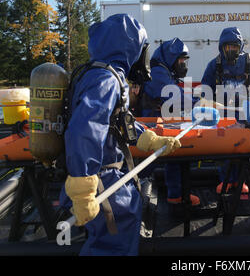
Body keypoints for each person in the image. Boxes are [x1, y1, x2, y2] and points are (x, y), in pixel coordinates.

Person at [59, 14, 181, 256]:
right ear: (130, 47)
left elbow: (119, 121)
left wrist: (151, 139)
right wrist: (84, 188)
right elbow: (86, 128)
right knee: (111, 245)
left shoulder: (101, 74)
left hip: (103, 175)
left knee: (112, 238)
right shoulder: (106, 79)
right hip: (102, 178)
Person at [132, 38, 201, 206]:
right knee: (147, 164)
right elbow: (174, 95)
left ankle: (175, 195)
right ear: (171, 58)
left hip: (159, 123)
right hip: (152, 126)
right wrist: (198, 102)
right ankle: (129, 196)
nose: (183, 64)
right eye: (181, 60)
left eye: (184, 60)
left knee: (173, 157)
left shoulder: (165, 72)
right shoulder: (158, 73)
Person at [201, 27, 250, 195]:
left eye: (235, 47)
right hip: (224, 116)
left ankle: (241, 183)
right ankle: (226, 181)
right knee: (225, 151)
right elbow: (205, 87)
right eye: (228, 47)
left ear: (240, 47)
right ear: (222, 47)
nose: (231, 50)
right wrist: (207, 101)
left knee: (243, 150)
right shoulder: (215, 64)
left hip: (244, 115)